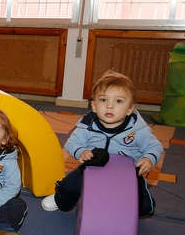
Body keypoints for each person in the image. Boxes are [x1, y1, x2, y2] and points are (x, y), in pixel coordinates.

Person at [41, 69, 162, 217]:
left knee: (142, 205)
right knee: (69, 185)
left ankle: (138, 207)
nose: (109, 106)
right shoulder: (88, 124)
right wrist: (81, 151)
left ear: (130, 108)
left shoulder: (137, 129)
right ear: (94, 106)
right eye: (103, 100)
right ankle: (60, 200)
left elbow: (154, 146)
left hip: (127, 172)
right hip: (94, 166)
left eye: (118, 101)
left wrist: (149, 158)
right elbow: (71, 143)